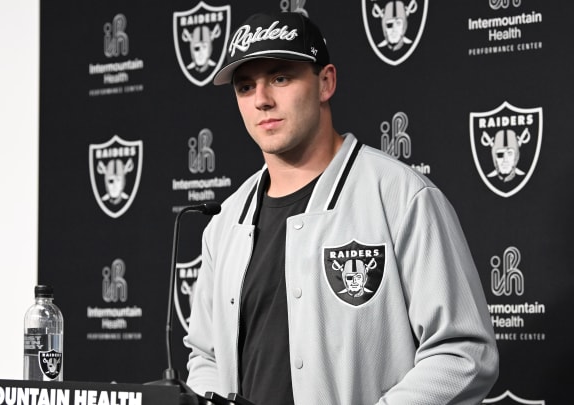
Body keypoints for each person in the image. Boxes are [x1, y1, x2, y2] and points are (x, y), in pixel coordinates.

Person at [183, 11, 499, 405]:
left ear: (325, 82)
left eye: (280, 78)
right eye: (246, 87)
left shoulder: (401, 196)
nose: (262, 100)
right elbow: (206, 357)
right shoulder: (226, 222)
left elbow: (464, 352)